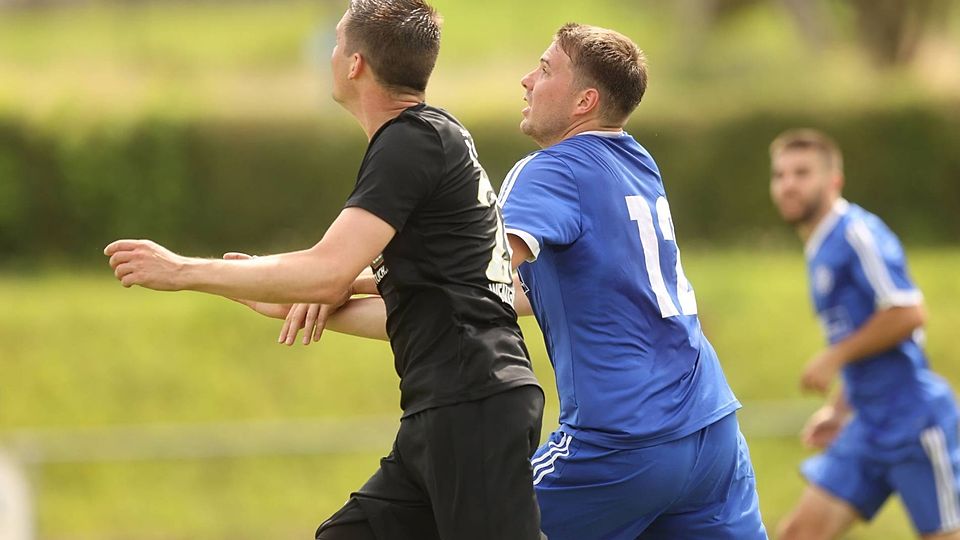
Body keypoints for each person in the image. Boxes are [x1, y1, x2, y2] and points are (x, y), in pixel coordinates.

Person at [286, 22, 768, 540]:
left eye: (544, 69)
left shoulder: (552, 169)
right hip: (713, 433)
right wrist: (337, 300)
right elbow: (496, 298)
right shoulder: (637, 163)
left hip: (624, 444)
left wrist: (335, 279)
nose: (525, 80)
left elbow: (469, 277)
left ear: (584, 101)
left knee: (459, 522)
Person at [104, 1, 545, 539]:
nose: (331, 55)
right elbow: (415, 300)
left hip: (473, 402)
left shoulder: (412, 142)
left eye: (337, 43)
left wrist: (182, 271)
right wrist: (279, 292)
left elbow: (327, 270)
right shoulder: (427, 138)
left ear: (355, 64)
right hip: (446, 407)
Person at [769, 128, 960, 540]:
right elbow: (867, 341)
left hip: (914, 422)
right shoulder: (819, 246)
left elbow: (908, 312)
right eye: (780, 175)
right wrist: (840, 408)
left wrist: (833, 357)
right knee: (798, 534)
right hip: (866, 425)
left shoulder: (856, 233)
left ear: (833, 180)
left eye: (802, 173)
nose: (788, 185)